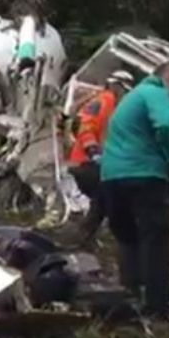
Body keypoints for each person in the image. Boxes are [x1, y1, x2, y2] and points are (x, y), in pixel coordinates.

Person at [101, 62, 169, 319]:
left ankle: (129, 297)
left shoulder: (131, 99)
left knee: (128, 237)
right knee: (156, 239)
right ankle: (158, 307)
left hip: (112, 175)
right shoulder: (154, 92)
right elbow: (167, 125)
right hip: (144, 174)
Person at [67, 70, 134, 241]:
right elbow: (86, 127)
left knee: (103, 199)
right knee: (107, 194)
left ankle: (83, 236)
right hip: (85, 162)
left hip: (97, 164)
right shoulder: (104, 101)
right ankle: (83, 235)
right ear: (116, 86)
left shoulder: (114, 107)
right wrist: (93, 151)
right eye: (125, 90)